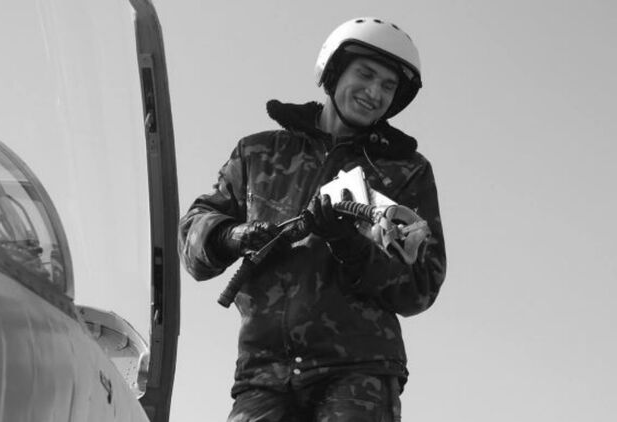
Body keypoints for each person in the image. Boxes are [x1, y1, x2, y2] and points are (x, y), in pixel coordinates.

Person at [179, 17, 447, 421]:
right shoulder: (258, 153)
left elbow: (421, 285)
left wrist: (350, 246)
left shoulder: (407, 171)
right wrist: (235, 235)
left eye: (388, 86)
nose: (374, 93)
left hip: (358, 372)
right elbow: (192, 237)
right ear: (334, 71)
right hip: (263, 374)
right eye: (365, 75)